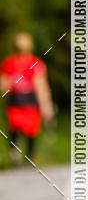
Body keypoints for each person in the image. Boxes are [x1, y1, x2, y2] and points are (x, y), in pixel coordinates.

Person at [1, 32, 54, 166]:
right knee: (19, 129)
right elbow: (41, 87)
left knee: (25, 130)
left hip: (26, 101)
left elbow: (40, 86)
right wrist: (46, 105)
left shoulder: (30, 63)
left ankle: (23, 156)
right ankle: (20, 156)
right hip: (20, 102)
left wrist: (46, 105)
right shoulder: (11, 63)